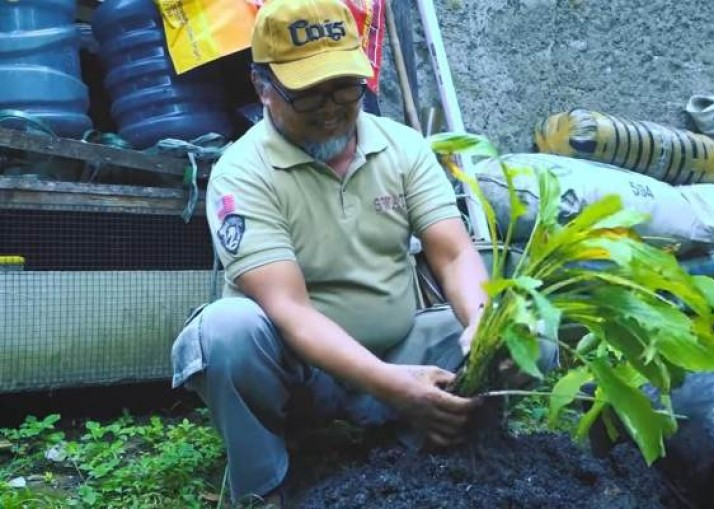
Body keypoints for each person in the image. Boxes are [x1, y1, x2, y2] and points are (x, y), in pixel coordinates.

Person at [170, 0, 557, 505]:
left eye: (345, 86)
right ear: (263, 87)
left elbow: (453, 254)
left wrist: (482, 324)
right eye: (309, 92)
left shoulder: (403, 146)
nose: (332, 107)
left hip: (400, 349)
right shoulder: (242, 173)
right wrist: (391, 385)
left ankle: (436, 443)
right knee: (225, 331)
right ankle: (269, 486)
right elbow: (289, 311)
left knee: (526, 334)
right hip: (301, 378)